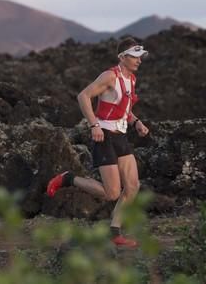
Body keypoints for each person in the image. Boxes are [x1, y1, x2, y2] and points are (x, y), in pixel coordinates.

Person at [47, 37, 150, 248]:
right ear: (122, 57)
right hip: (103, 135)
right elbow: (83, 96)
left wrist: (137, 122)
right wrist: (93, 125)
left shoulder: (131, 79)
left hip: (120, 136)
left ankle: (115, 233)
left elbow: (125, 109)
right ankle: (68, 179)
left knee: (132, 186)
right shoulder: (110, 76)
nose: (139, 61)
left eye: (141, 57)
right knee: (111, 193)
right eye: (135, 57)